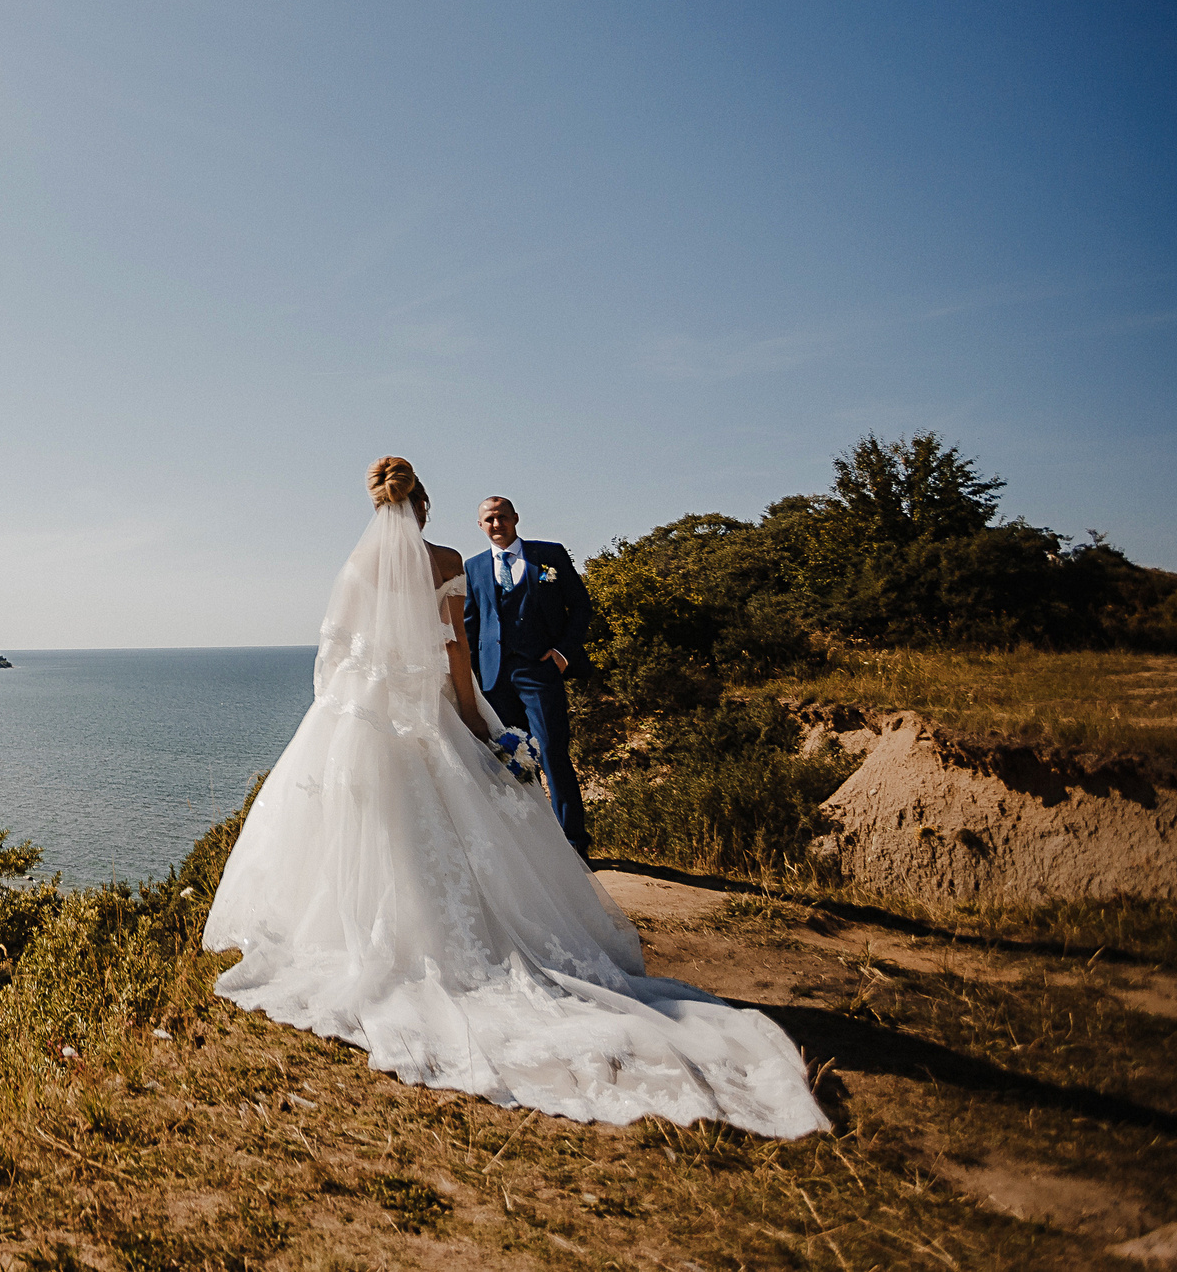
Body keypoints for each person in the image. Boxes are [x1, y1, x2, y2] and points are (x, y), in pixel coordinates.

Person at [199, 457, 828, 1136]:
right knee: (454, 816)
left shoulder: (357, 566)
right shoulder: (445, 560)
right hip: (425, 712)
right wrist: (476, 723)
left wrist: (348, 708)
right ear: (423, 505)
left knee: (372, 829)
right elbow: (457, 653)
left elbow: (336, 653)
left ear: (376, 507)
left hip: (361, 717)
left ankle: (369, 937)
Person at [462, 494, 592, 857]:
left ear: (515, 518)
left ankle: (574, 844)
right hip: (495, 678)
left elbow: (580, 606)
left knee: (551, 751)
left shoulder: (548, 555)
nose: (496, 524)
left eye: (502, 516)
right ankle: (530, 845)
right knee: (509, 758)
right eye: (489, 519)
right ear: (480, 525)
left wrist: (563, 653)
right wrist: (470, 681)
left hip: (541, 670)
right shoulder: (473, 566)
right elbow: (471, 624)